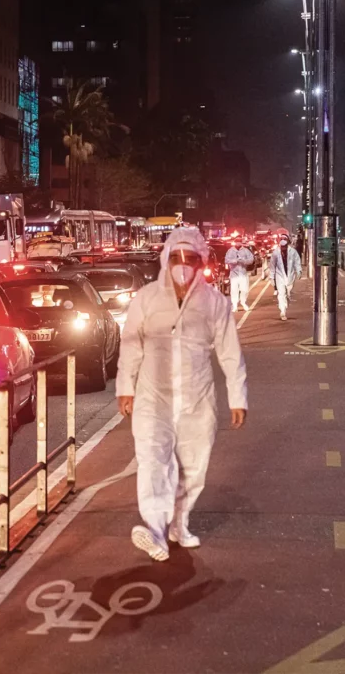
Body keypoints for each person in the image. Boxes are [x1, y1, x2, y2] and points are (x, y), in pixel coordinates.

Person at [116, 227, 248, 562]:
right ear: (166, 259)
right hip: (152, 396)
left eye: (191, 258)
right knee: (153, 461)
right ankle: (156, 531)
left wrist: (238, 397)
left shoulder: (215, 303)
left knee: (194, 466)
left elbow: (230, 352)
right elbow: (131, 345)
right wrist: (125, 388)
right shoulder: (146, 299)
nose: (183, 264)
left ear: (201, 260)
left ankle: (179, 524)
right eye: (177, 257)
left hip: (197, 397)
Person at [269, 237, 302, 321]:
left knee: (287, 293)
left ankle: (285, 303)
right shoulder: (276, 253)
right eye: (282, 247)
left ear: (287, 246)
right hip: (279, 276)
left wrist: (299, 271)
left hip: (290, 276)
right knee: (281, 294)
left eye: (285, 247)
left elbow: (297, 262)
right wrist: (271, 277)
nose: (283, 248)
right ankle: (282, 311)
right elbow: (272, 266)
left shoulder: (293, 252)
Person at [224, 239, 254, 312]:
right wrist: (235, 261)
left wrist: (243, 261)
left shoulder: (245, 251)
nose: (238, 242)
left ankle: (243, 302)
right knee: (234, 290)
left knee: (244, 290)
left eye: (239, 241)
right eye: (237, 241)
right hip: (234, 274)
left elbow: (251, 259)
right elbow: (226, 260)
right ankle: (234, 305)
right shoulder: (230, 251)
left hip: (243, 274)